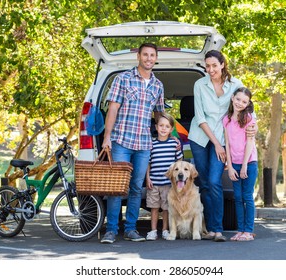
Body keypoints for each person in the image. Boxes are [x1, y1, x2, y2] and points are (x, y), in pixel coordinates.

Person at [188, 50, 256, 242]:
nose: (210, 70)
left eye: (214, 66)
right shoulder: (199, 85)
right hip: (200, 137)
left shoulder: (236, 85)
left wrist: (253, 128)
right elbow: (200, 117)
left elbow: (249, 106)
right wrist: (216, 143)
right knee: (206, 184)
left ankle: (218, 229)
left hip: (223, 139)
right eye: (207, 66)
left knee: (214, 180)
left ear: (222, 64)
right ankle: (211, 228)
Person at [100, 43, 164, 244]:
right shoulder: (123, 79)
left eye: (152, 55)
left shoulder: (158, 85)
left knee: (136, 187)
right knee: (117, 187)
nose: (148, 58)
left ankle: (130, 229)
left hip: (144, 144)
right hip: (121, 141)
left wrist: (169, 137)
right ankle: (111, 230)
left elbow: (159, 115)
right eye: (145, 54)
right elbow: (112, 109)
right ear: (138, 56)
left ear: (155, 58)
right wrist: (107, 137)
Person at [223, 87, 258, 241]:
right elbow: (227, 145)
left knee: (247, 196)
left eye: (244, 101)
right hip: (234, 164)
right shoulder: (227, 119)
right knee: (237, 197)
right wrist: (229, 166)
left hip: (248, 163)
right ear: (232, 98)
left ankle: (248, 231)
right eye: (238, 99)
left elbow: (250, 142)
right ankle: (240, 230)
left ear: (248, 103)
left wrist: (244, 165)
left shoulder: (249, 118)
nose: (240, 103)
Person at [145, 113, 183, 241]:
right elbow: (148, 163)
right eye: (161, 125)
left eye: (167, 126)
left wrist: (177, 180)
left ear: (171, 129)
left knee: (166, 208)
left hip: (168, 183)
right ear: (156, 127)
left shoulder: (174, 144)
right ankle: (153, 230)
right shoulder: (152, 144)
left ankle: (165, 230)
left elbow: (179, 162)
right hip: (154, 182)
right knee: (154, 207)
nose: (163, 128)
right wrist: (148, 178)